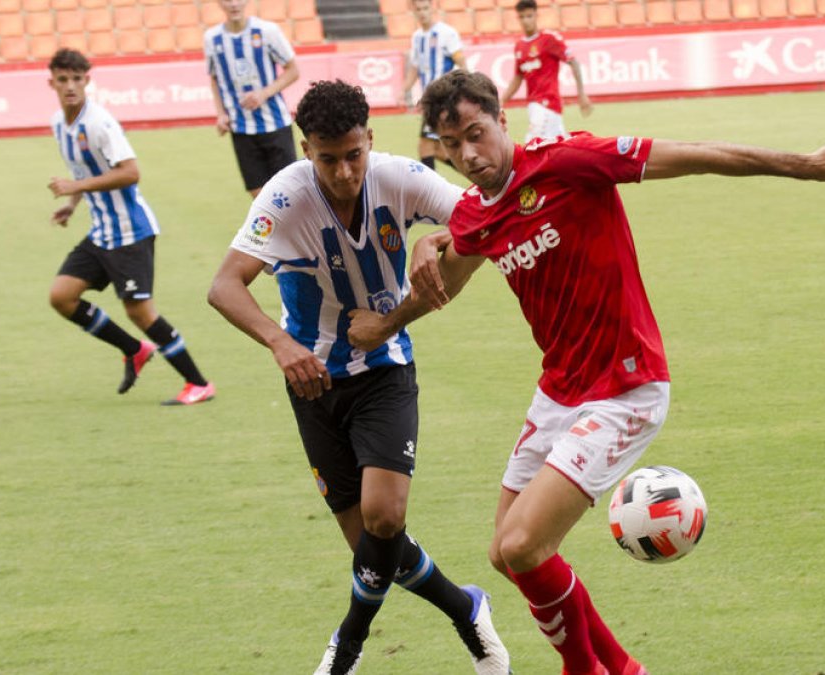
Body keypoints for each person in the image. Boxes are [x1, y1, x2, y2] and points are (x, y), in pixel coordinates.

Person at [345, 70, 825, 675]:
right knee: (504, 553)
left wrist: (806, 165)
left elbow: (694, 155)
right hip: (559, 391)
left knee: (524, 545)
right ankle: (622, 668)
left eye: (476, 133)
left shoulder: (568, 161)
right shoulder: (473, 214)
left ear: (502, 121)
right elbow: (449, 281)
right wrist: (387, 322)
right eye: (451, 143)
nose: (467, 154)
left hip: (626, 387)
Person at [206, 80, 511, 675]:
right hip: (313, 383)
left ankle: (345, 647)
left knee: (385, 519)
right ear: (306, 151)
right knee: (374, 551)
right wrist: (280, 343)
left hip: (384, 369)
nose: (345, 172)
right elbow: (223, 285)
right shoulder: (285, 197)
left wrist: (438, 237)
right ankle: (466, 607)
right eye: (328, 159)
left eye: (354, 154)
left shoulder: (399, 177)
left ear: (370, 138)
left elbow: (486, 214)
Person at [46, 48, 214, 406]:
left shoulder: (99, 123)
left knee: (139, 312)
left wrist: (75, 187)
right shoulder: (59, 124)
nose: (70, 86)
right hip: (102, 231)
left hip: (130, 232)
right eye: (63, 80)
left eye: (77, 79)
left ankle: (198, 383)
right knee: (61, 296)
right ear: (52, 84)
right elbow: (83, 171)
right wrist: (71, 204)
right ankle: (135, 350)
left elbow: (130, 172)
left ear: (87, 81)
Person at [205, 0, 301, 197]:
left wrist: (263, 94)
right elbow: (215, 78)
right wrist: (221, 114)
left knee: (289, 191)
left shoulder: (267, 31)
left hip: (275, 125)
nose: (234, 4)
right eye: (227, 0)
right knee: (258, 193)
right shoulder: (212, 38)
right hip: (241, 128)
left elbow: (293, 71)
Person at [500, 0, 592, 143]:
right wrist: (501, 101)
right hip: (534, 105)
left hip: (547, 104)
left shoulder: (549, 39)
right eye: (522, 17)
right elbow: (518, 77)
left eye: (529, 16)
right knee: (560, 147)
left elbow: (573, 62)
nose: (525, 21)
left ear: (536, 15)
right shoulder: (519, 46)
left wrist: (581, 94)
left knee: (532, 145)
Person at [399, 0, 467, 171]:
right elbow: (415, 67)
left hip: (443, 99)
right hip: (430, 100)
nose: (422, 12)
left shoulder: (446, 33)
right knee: (436, 150)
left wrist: (467, 89)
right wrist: (404, 90)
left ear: (432, 8)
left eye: (425, 8)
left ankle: (429, 187)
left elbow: (461, 62)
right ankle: (478, 176)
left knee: (425, 147)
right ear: (414, 11)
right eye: (418, 9)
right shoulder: (417, 37)